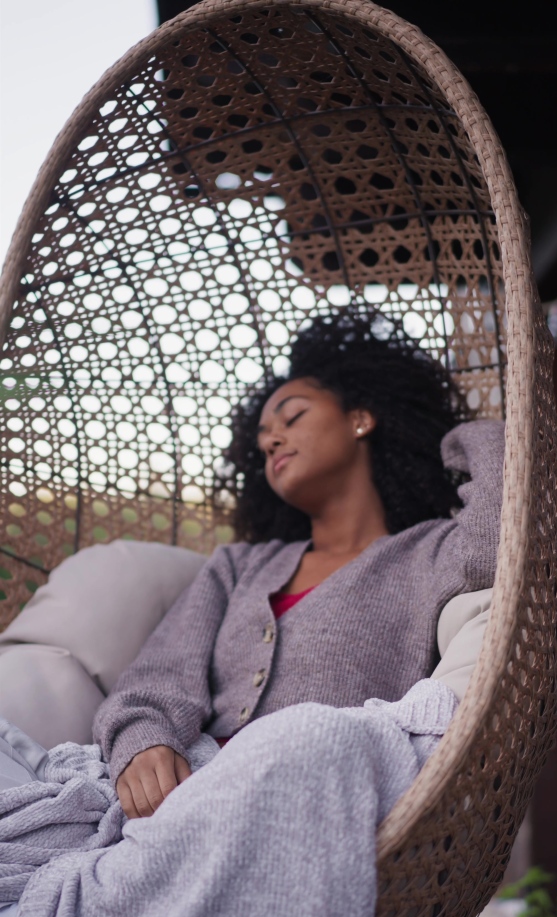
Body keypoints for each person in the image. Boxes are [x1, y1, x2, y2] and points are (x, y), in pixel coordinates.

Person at [92, 312, 504, 820]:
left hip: (306, 804)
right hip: (183, 796)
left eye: (292, 417)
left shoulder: (431, 553)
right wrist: (143, 740)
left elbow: (500, 538)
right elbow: (158, 676)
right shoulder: (239, 566)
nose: (270, 441)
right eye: (262, 437)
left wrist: (465, 437)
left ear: (361, 418)